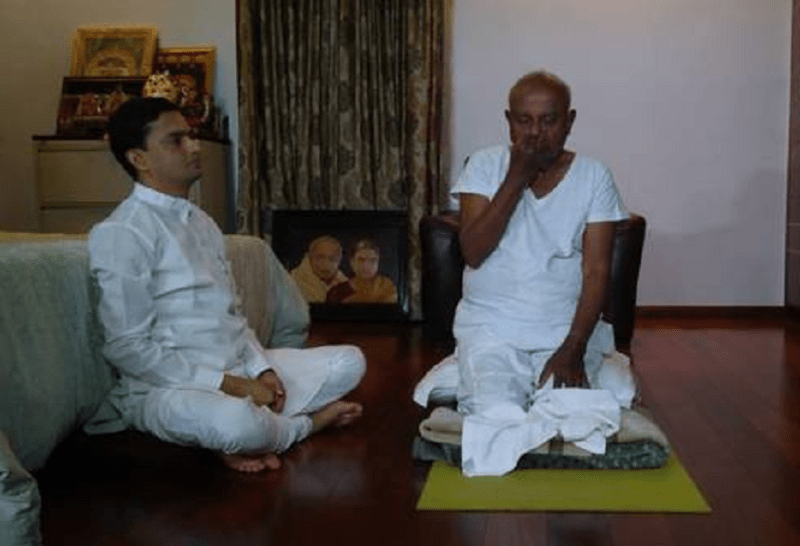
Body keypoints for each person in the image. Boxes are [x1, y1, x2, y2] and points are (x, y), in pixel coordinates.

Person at [87, 97, 365, 473]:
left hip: (238, 371)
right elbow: (127, 349)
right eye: (176, 140)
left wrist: (259, 370)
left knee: (348, 362)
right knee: (237, 424)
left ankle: (249, 431)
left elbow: (232, 314)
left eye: (191, 136)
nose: (194, 146)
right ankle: (303, 426)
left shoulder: (202, 222)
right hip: (167, 388)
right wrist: (229, 386)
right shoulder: (123, 231)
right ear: (139, 159)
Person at [447, 71, 629, 475]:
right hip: (491, 326)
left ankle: (527, 399)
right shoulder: (484, 165)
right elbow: (473, 252)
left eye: (548, 121)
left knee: (574, 410)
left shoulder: (594, 175)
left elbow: (598, 271)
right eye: (524, 121)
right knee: (497, 410)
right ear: (509, 121)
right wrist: (516, 178)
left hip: (562, 330)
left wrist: (574, 347)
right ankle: (505, 391)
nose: (535, 133)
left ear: (569, 121)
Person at [326, 238, 397, 304]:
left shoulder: (388, 288)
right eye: (361, 260)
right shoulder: (336, 293)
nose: (366, 266)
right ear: (352, 262)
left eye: (372, 260)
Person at [290, 235, 348, 303]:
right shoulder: (292, 283)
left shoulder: (347, 285)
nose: (326, 264)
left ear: (339, 261)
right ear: (310, 257)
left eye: (333, 259)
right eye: (320, 258)